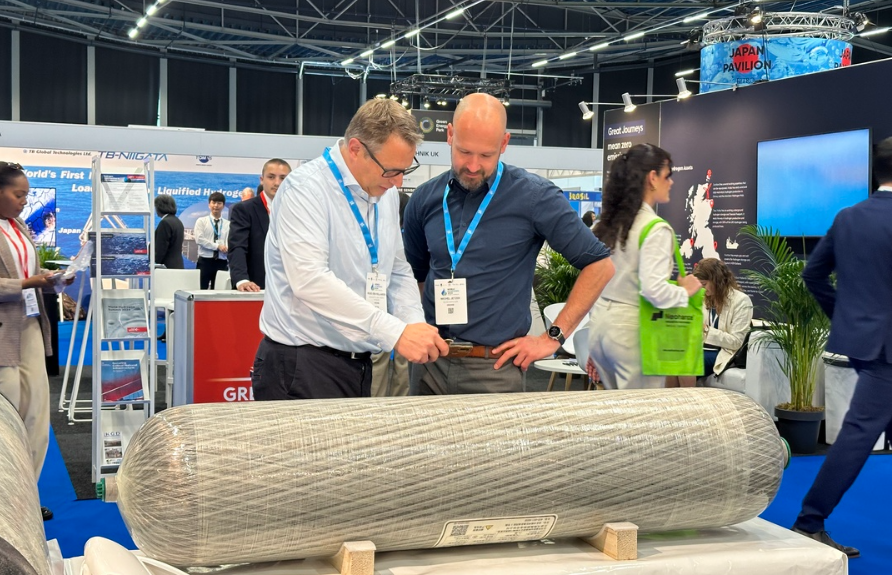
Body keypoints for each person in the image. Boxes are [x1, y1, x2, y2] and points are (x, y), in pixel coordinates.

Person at [403, 93, 614, 395]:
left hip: (494, 369)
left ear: (504, 143)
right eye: (464, 151)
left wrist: (553, 337)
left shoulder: (535, 197)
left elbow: (600, 265)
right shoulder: (425, 199)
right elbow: (417, 276)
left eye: (486, 155)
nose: (473, 165)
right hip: (429, 363)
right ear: (449, 135)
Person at [251, 99, 448, 401]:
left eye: (404, 171)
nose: (398, 183)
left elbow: (397, 269)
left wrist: (413, 323)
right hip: (301, 367)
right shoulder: (306, 189)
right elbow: (309, 280)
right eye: (391, 171)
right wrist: (393, 331)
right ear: (355, 148)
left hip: (358, 364)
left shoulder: (385, 194)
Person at [789, 137, 892, 558]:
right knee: (857, 434)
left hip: (863, 344)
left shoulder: (848, 217)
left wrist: (847, 317)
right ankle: (809, 521)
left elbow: (812, 274)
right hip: (887, 352)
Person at [585, 144, 702, 390]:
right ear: (652, 178)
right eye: (667, 175)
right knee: (642, 411)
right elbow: (653, 290)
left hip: (600, 327)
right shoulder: (656, 228)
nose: (671, 182)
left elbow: (593, 283)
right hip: (632, 329)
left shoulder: (606, 226)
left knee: (617, 408)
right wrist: (685, 291)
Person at [0, 162, 72, 521]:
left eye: (27, 195)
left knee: (37, 415)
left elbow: (26, 272)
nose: (25, 201)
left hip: (30, 326)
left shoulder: (20, 226)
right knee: (7, 418)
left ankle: (25, 495)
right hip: (3, 334)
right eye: (19, 194)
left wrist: (50, 277)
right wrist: (29, 283)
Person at [666, 258, 753, 387]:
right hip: (700, 348)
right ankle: (671, 398)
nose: (702, 288)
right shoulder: (704, 297)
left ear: (717, 281)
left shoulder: (741, 301)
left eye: (704, 284)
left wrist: (706, 330)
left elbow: (736, 342)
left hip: (724, 352)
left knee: (686, 360)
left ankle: (688, 399)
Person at [227, 159, 291, 291]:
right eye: (271, 177)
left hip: (291, 287)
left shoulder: (298, 210)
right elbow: (237, 247)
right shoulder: (244, 209)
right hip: (256, 286)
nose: (277, 183)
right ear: (262, 180)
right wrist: (242, 279)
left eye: (283, 178)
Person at [193, 192, 230, 290]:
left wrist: (227, 248)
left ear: (223, 205)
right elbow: (199, 239)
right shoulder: (201, 221)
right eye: (213, 203)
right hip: (205, 261)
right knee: (201, 290)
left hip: (222, 261)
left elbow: (229, 240)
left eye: (219, 203)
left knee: (219, 291)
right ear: (209, 204)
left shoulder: (228, 224)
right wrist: (217, 246)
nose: (216, 206)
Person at [153, 194, 184, 269]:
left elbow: (161, 248)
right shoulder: (178, 221)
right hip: (178, 265)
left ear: (159, 207)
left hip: (167, 267)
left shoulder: (165, 223)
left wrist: (154, 262)